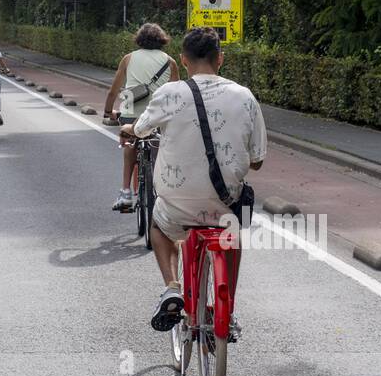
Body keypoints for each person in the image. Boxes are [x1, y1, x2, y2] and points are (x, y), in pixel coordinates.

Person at [119, 27, 266, 334]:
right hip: (226, 206)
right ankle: (229, 309)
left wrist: (129, 129)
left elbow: (142, 129)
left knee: (158, 227)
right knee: (234, 234)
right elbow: (257, 160)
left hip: (178, 206)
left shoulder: (170, 94)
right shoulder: (245, 97)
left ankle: (172, 287)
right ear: (220, 59)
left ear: (183, 61)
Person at [103, 23, 180, 213]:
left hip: (131, 112)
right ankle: (165, 192)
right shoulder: (170, 62)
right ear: (162, 40)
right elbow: (177, 93)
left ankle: (126, 193)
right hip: (159, 115)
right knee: (162, 148)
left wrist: (108, 112)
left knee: (129, 144)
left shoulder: (128, 59)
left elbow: (114, 91)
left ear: (139, 40)